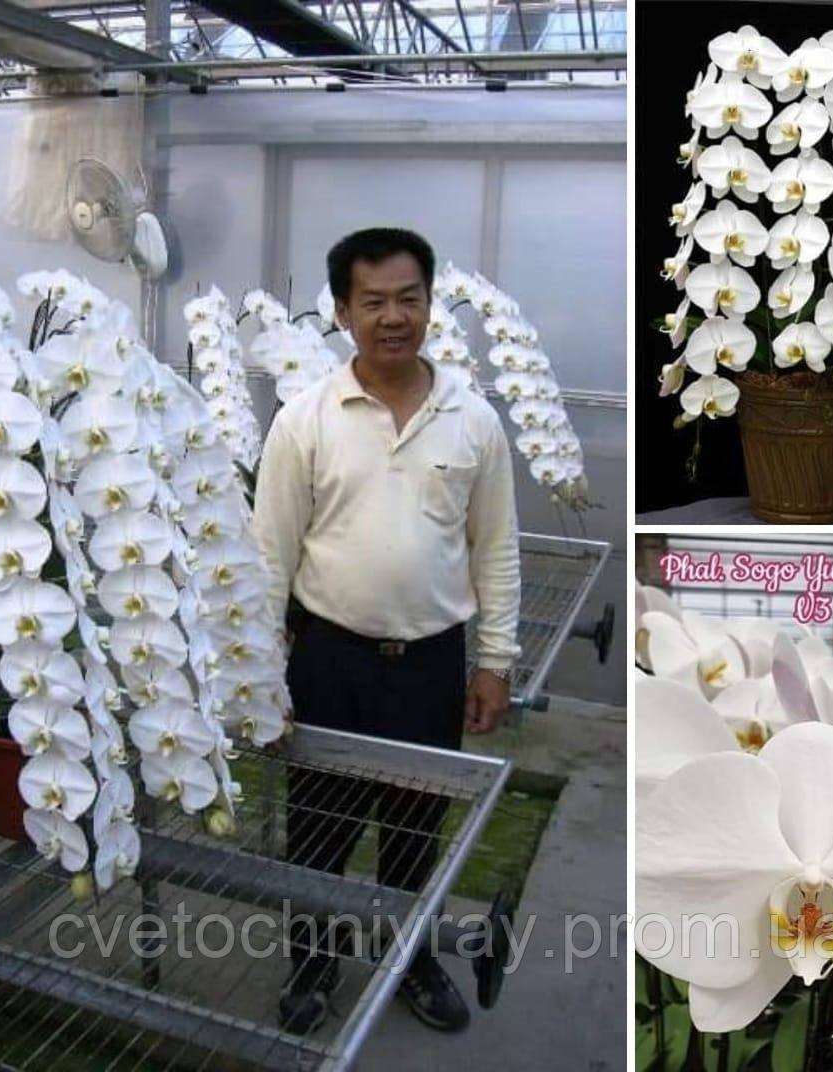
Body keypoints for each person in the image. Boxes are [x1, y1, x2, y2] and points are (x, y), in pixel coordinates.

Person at [252, 227, 521, 1036]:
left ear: (430, 305)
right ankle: (312, 964)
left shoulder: (473, 421)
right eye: (373, 302)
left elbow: (495, 548)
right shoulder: (305, 420)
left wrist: (495, 662)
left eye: (409, 298)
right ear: (343, 312)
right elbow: (269, 556)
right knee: (319, 826)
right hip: (329, 659)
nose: (394, 317)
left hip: (430, 664)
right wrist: (261, 673)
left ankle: (410, 958)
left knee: (414, 827)